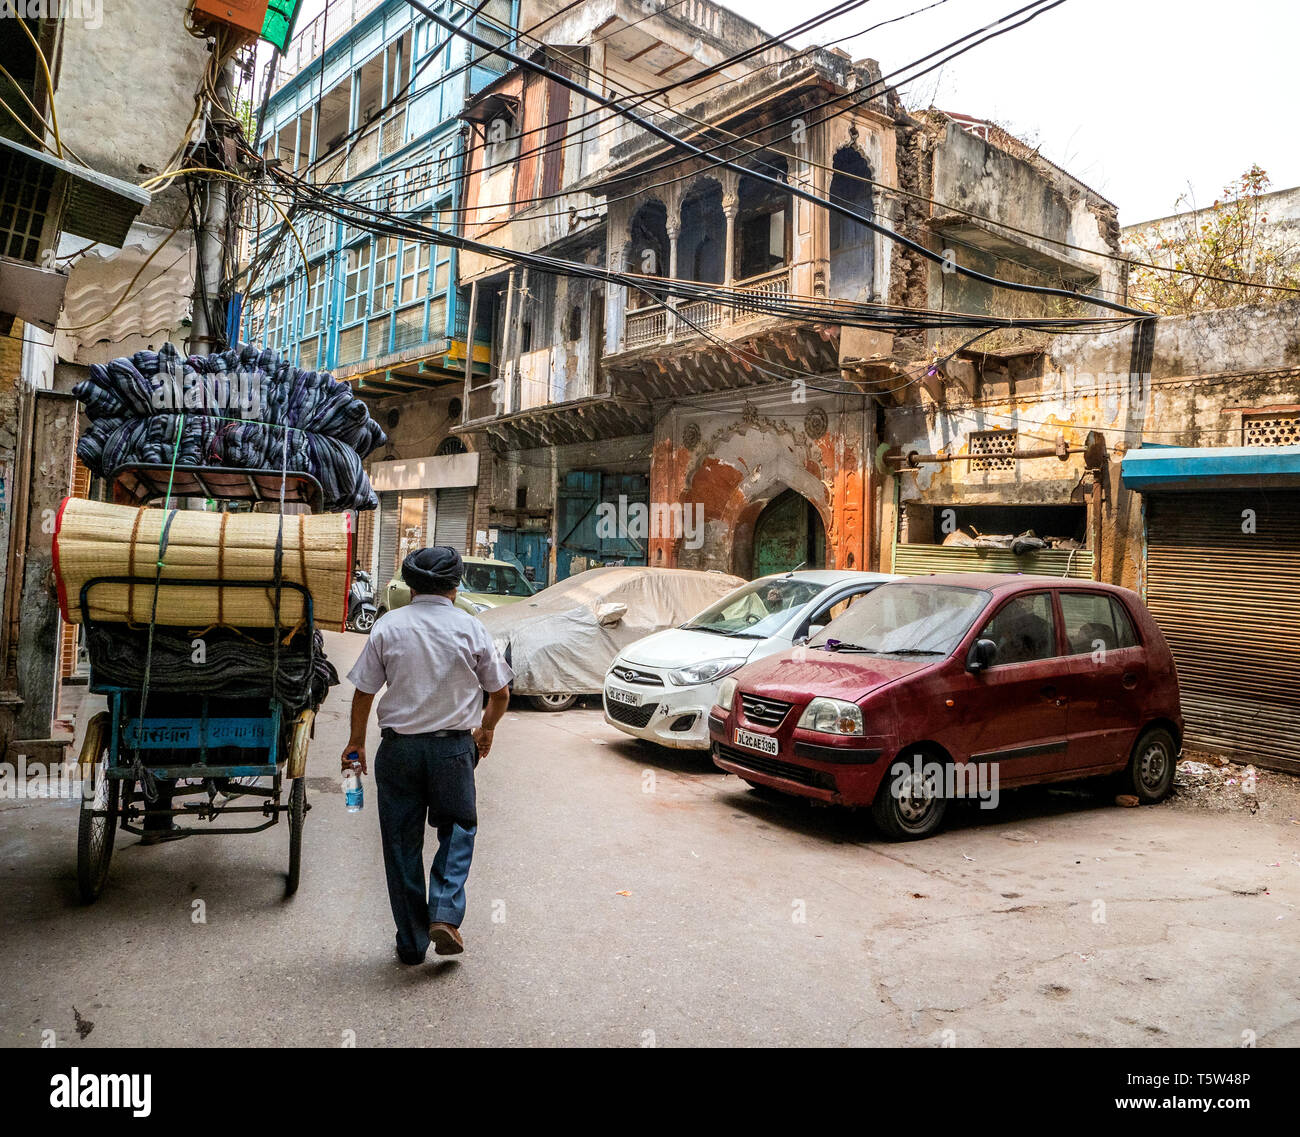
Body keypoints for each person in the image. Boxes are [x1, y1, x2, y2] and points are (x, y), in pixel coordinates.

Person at [344, 545, 512, 964]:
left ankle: (412, 943)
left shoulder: (387, 626)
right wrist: (485, 729)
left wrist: (356, 743)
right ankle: (445, 913)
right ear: (455, 587)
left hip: (398, 750)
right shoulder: (471, 628)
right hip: (453, 750)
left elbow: (365, 690)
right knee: (458, 828)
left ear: (410, 585)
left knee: (401, 845)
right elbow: (501, 692)